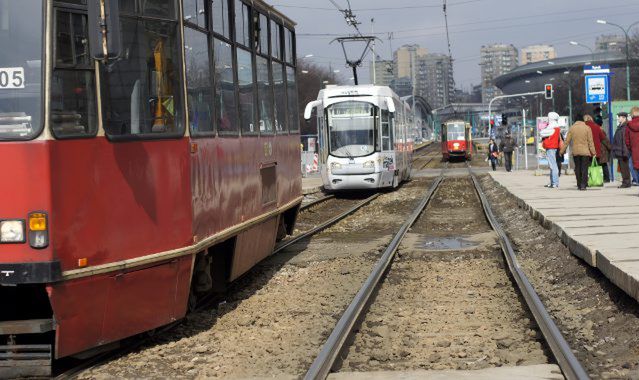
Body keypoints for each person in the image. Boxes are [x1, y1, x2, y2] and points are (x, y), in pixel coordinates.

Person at [560, 118, 596, 191]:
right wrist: (593, 152)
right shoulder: (587, 128)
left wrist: (562, 151)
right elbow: (590, 141)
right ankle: (583, 185)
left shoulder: (572, 128)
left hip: (576, 152)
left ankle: (579, 184)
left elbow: (567, 141)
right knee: (584, 168)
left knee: (577, 168)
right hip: (585, 152)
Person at [584, 115, 613, 183]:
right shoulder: (596, 127)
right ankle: (603, 178)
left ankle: (589, 180)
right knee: (601, 164)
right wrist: (610, 147)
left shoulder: (584, 127)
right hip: (597, 149)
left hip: (587, 150)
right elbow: (603, 138)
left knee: (587, 165)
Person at [541, 112, 562, 188]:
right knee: (552, 165)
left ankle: (555, 183)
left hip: (551, 147)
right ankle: (552, 182)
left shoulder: (552, 127)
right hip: (552, 147)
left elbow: (542, 133)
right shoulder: (555, 126)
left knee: (553, 165)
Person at [612, 111, 631, 188]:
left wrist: (625, 152)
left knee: (624, 168)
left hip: (622, 151)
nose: (618, 118)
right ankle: (625, 182)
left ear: (624, 118)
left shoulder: (624, 127)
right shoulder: (621, 126)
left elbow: (624, 140)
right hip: (619, 150)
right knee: (622, 168)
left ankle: (626, 182)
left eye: (619, 117)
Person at [625, 107, 639, 191]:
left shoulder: (629, 126)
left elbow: (627, 140)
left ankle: (637, 181)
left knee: (635, 167)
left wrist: (631, 148)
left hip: (634, 151)